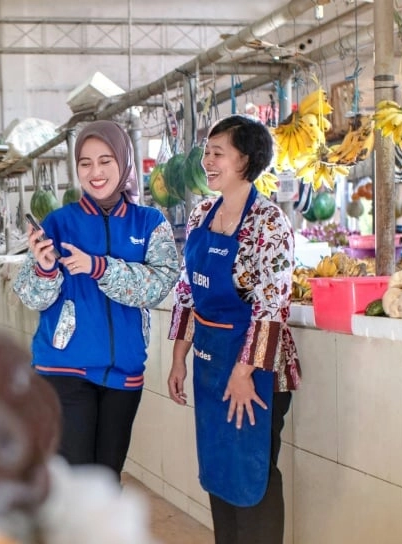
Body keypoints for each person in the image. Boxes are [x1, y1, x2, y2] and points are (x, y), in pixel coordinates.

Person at [12, 120, 179, 480]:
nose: (95, 172)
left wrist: (98, 267)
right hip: (63, 369)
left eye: (105, 160)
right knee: (76, 482)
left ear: (124, 161)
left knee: (106, 479)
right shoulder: (58, 222)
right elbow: (28, 295)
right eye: (85, 163)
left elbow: (160, 284)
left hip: (124, 374)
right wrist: (44, 268)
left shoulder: (149, 223)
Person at [166, 114, 301, 544]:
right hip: (210, 361)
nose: (206, 160)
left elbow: (271, 305)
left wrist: (244, 373)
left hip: (258, 369)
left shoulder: (269, 222)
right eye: (207, 151)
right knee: (221, 466)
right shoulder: (202, 214)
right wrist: (177, 358)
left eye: (216, 152)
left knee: (254, 469)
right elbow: (189, 289)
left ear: (245, 159)